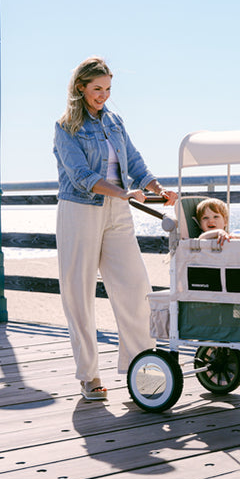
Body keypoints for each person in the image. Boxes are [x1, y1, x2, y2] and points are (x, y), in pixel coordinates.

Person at [53, 56, 175, 401]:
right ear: (81, 88)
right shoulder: (66, 127)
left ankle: (143, 372)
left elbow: (133, 161)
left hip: (118, 213)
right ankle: (88, 376)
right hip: (80, 212)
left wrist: (156, 187)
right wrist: (124, 192)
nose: (103, 95)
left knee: (136, 289)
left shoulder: (115, 121)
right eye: (97, 89)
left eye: (107, 89)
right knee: (79, 295)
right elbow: (81, 177)